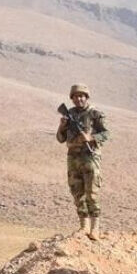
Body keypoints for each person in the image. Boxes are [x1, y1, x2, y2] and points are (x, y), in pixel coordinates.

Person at [56, 84, 110, 240]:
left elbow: (106, 133)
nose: (78, 99)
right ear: (72, 98)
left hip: (90, 157)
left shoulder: (95, 114)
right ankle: (83, 226)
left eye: (81, 96)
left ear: (86, 97)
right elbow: (60, 139)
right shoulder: (69, 114)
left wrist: (91, 138)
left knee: (91, 193)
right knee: (77, 192)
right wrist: (62, 126)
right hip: (73, 158)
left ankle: (95, 228)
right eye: (75, 96)